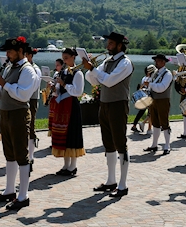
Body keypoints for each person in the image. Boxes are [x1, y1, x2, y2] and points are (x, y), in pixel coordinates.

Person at [0, 36, 38, 211]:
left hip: (19, 114)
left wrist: (4, 83)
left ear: (20, 51)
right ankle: (9, 190)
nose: (7, 54)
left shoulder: (28, 70)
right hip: (6, 113)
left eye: (10, 51)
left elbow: (23, 95)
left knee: (21, 155)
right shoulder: (10, 67)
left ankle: (23, 195)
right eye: (7, 51)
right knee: (9, 154)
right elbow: (3, 93)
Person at [83, 31, 134, 198]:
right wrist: (90, 69)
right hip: (104, 104)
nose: (107, 46)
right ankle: (111, 180)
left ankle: (123, 184)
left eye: (111, 44)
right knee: (108, 143)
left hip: (118, 105)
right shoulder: (107, 61)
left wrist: (93, 70)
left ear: (120, 45)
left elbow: (110, 81)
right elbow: (93, 80)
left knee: (120, 143)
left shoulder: (125, 63)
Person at [49, 48, 85, 176]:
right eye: (63, 58)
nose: (64, 60)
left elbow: (78, 91)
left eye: (66, 58)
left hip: (72, 107)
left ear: (73, 57)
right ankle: (65, 165)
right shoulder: (63, 72)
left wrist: (64, 85)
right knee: (64, 135)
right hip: (62, 105)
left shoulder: (78, 73)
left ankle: (73, 166)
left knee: (72, 135)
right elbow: (58, 91)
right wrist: (53, 88)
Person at [143, 54, 174, 155]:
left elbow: (162, 88)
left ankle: (167, 145)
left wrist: (150, 85)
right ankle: (154, 144)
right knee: (155, 122)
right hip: (154, 99)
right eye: (156, 61)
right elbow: (152, 85)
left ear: (164, 62)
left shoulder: (168, 74)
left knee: (164, 123)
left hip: (163, 100)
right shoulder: (155, 73)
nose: (156, 62)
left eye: (158, 61)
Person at [24, 45, 42, 169]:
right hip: (24, 99)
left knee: (31, 127)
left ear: (30, 56)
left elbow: (34, 86)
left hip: (32, 99)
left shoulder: (35, 69)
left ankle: (31, 156)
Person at [131, 65, 156, 134]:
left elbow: (141, 88)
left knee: (142, 111)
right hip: (148, 96)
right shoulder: (151, 79)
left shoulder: (144, 78)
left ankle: (135, 125)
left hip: (143, 96)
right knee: (151, 112)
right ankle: (148, 127)